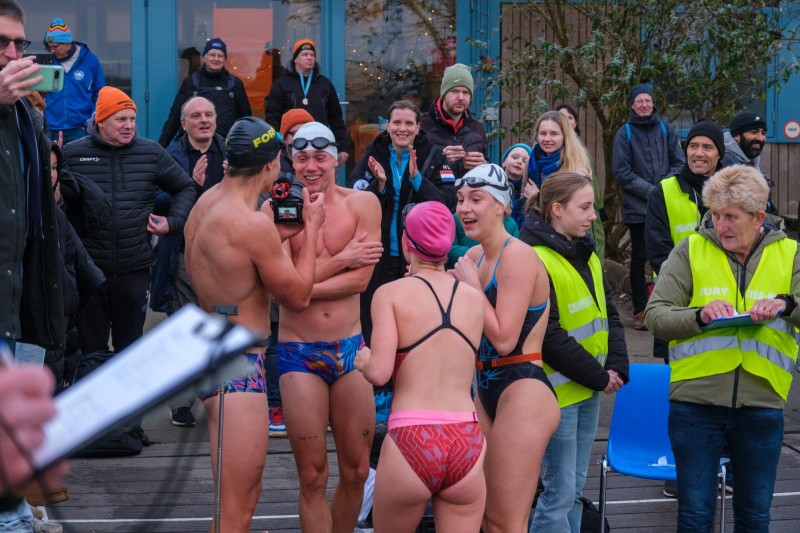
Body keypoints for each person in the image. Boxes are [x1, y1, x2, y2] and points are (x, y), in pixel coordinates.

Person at [184, 116, 325, 532]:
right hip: (238, 366)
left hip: (212, 350)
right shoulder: (251, 224)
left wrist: (274, 236)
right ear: (270, 164)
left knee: (233, 501)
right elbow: (297, 296)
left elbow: (232, 270)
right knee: (237, 507)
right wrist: (311, 232)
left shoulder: (206, 202)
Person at [644, 164, 800, 532]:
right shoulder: (691, 249)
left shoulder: (791, 252)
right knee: (695, 516)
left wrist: (787, 305)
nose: (721, 225)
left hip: (762, 405)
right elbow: (655, 316)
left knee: (755, 517)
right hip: (695, 405)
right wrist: (698, 316)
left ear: (759, 217)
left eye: (732, 216)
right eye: (715, 215)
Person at [354, 201, 486, 532]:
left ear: (407, 243)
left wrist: (363, 361)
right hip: (466, 438)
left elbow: (381, 372)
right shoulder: (473, 296)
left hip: (412, 436)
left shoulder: (391, 294)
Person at [279, 121, 381, 532]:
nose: (310, 166)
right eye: (301, 158)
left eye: (319, 157)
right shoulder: (280, 209)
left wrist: (303, 282)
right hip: (298, 353)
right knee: (312, 475)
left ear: (337, 158)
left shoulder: (363, 205)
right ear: (291, 159)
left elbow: (360, 282)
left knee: (356, 471)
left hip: (351, 351)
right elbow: (284, 293)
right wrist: (342, 259)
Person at [518, 172, 629, 533]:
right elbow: (548, 335)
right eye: (584, 207)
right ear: (556, 210)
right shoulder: (535, 259)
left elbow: (608, 313)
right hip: (558, 396)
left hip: (588, 388)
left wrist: (617, 364)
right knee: (558, 494)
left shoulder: (586, 252)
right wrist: (600, 375)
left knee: (573, 492)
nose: (593, 215)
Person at [452, 163, 560, 531]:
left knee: (505, 522)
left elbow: (503, 338)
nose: (464, 208)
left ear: (501, 206)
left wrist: (470, 287)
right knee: (482, 517)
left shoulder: (519, 255)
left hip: (522, 386)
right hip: (483, 387)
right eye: (461, 199)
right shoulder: (472, 257)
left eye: (476, 199)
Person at [62, 86, 195, 355]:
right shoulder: (72, 155)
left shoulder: (151, 153)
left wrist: (173, 223)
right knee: (90, 352)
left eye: (132, 119)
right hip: (89, 271)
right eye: (120, 119)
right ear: (101, 121)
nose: (129, 126)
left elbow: (186, 187)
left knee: (130, 352)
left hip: (134, 270)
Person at [0, 1, 67, 528]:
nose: (13, 53)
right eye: (1, 42)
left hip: (19, 304)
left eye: (20, 44)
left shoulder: (25, 114)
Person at [348, 99, 454, 343]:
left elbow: (448, 203)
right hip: (379, 255)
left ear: (418, 127)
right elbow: (355, 195)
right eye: (396, 122)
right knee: (374, 322)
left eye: (409, 123)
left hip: (420, 258)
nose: (402, 128)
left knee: (414, 322)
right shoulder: (374, 152)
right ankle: (379, 377)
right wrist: (380, 185)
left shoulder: (435, 156)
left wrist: (418, 180)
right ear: (388, 125)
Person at [151, 95, 227, 427]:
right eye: (196, 116)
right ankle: (181, 402)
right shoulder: (169, 155)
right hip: (183, 252)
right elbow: (155, 199)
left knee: (219, 326)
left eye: (209, 114)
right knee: (185, 327)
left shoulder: (229, 152)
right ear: (184, 123)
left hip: (224, 252)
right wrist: (190, 187)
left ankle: (215, 394)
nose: (204, 120)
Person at [612, 83, 685, 330]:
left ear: (653, 103)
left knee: (668, 255)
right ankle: (641, 310)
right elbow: (622, 172)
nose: (644, 104)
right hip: (639, 209)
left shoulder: (666, 129)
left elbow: (679, 162)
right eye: (639, 101)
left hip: (667, 205)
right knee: (640, 258)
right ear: (632, 105)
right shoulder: (625, 133)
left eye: (648, 100)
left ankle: (668, 304)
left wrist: (665, 188)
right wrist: (653, 191)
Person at [525, 110, 605, 258]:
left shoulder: (577, 166)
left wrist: (537, 195)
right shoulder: (532, 161)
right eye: (543, 133)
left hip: (568, 237)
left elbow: (572, 207)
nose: (547, 139)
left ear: (565, 136)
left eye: (554, 134)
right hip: (538, 228)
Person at [265, 39, 352, 166]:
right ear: (295, 59)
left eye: (312, 55)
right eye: (305, 54)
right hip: (291, 147)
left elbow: (336, 118)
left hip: (320, 145)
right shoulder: (282, 84)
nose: (310, 58)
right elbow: (273, 117)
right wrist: (276, 144)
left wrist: (343, 147)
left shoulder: (324, 84)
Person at [159, 37, 251, 146]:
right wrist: (160, 148)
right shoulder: (191, 82)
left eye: (220, 55)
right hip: (193, 148)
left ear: (224, 59)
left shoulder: (235, 84)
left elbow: (245, 120)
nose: (216, 59)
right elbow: (174, 118)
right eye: (212, 55)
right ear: (204, 57)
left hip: (226, 148)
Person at [43, 17, 105, 144]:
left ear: (67, 43)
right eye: (50, 47)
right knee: (50, 164)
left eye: (55, 46)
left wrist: (90, 121)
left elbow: (100, 93)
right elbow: (37, 94)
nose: (52, 51)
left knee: (78, 164)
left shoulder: (89, 60)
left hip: (80, 130)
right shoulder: (47, 61)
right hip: (50, 129)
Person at [420, 63, 488, 179]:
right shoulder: (421, 125)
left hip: (466, 196)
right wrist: (440, 160)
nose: (461, 97)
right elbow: (408, 172)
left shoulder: (477, 129)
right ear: (443, 95)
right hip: (432, 196)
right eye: (454, 91)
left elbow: (486, 178)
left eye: (466, 92)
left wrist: (484, 167)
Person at [720, 110, 778, 215]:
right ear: (736, 136)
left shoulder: (752, 163)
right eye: (754, 132)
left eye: (763, 133)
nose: (760, 138)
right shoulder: (726, 167)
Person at [501, 142, 531, 226]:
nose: (519, 161)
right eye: (515, 157)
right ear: (504, 161)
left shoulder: (527, 192)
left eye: (525, 161)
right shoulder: (490, 185)